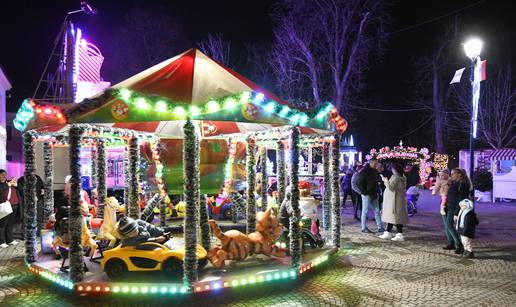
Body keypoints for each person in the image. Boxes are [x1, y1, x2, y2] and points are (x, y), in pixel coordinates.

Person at [378, 164, 409, 241]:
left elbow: (391, 187)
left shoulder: (396, 177)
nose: (391, 170)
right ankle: (388, 232)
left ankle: (399, 234)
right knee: (392, 217)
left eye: (392, 169)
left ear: (395, 170)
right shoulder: (403, 177)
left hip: (394, 200)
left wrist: (385, 180)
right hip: (397, 199)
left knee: (396, 217)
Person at [443, 168, 471, 254]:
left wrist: (456, 212)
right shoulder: (455, 183)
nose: (451, 175)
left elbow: (461, 199)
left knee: (449, 225)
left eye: (453, 173)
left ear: (459, 174)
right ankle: (452, 243)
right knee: (448, 225)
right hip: (449, 207)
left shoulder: (463, 184)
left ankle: (459, 245)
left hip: (454, 208)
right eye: (451, 174)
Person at [357, 158, 384, 234]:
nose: (376, 165)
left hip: (374, 194)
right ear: (371, 163)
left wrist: (378, 188)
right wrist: (364, 192)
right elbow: (358, 183)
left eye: (377, 163)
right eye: (375, 163)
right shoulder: (365, 171)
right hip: (367, 194)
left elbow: (376, 181)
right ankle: (363, 227)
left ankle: (380, 227)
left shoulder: (375, 171)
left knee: (377, 210)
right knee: (365, 211)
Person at [0, 170, 21, 248]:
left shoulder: (8, 182)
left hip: (14, 206)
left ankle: (10, 240)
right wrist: (7, 185)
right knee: (2, 225)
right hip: (4, 206)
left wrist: (16, 185)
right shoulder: (3, 185)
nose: (4, 176)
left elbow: (21, 189)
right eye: (2, 175)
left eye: (5, 174)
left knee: (10, 224)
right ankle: (2, 241)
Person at [432, 170, 451, 246]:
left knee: (448, 223)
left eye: (443, 175)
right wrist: (434, 191)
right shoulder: (440, 181)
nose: (442, 176)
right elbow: (436, 187)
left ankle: (451, 240)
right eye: (441, 175)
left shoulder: (449, 180)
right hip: (443, 194)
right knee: (443, 201)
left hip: (448, 196)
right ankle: (442, 208)